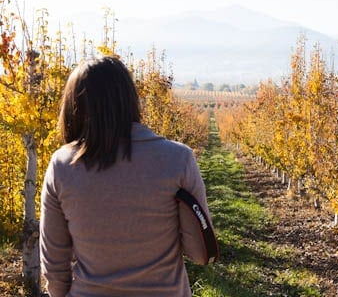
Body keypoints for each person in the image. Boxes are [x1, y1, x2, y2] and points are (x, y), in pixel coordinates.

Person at [40, 56, 214, 297]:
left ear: (73, 107)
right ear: (129, 100)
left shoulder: (62, 166)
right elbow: (201, 253)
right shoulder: (177, 159)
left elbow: (54, 268)